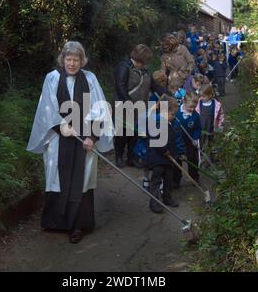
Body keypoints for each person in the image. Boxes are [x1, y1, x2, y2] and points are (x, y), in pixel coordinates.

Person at [27, 41, 113, 244]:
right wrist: (61, 126)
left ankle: (77, 225)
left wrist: (92, 136)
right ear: (63, 59)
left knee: (81, 180)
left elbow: (99, 107)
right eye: (69, 59)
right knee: (57, 175)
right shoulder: (53, 78)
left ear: (82, 61)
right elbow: (47, 106)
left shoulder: (90, 79)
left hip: (84, 140)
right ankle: (55, 222)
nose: (72, 64)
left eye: (76, 60)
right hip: (59, 139)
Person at [113, 44, 167, 168]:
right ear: (139, 59)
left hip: (139, 107)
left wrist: (168, 95)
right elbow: (120, 87)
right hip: (124, 106)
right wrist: (128, 104)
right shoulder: (123, 67)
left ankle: (131, 158)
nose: (146, 64)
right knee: (121, 134)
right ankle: (119, 157)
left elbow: (155, 86)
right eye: (144, 61)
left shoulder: (144, 70)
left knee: (134, 134)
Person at [146, 96, 180, 213]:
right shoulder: (157, 123)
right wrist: (164, 150)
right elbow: (155, 139)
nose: (174, 117)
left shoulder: (169, 122)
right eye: (172, 114)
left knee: (168, 179)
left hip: (169, 159)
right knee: (156, 181)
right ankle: (154, 203)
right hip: (158, 159)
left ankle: (167, 198)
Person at [173, 93, 202, 185]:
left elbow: (198, 129)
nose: (192, 109)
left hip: (190, 141)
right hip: (177, 142)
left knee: (193, 159)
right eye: (190, 107)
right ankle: (176, 180)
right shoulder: (177, 113)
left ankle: (194, 178)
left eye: (194, 107)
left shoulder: (195, 116)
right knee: (177, 161)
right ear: (184, 102)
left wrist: (195, 138)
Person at [196, 84, 224, 152]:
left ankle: (213, 156)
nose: (201, 98)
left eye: (204, 96)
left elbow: (221, 115)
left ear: (210, 95)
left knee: (212, 142)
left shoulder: (216, 104)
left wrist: (220, 126)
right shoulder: (198, 104)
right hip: (201, 127)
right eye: (200, 96)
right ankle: (201, 154)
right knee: (201, 141)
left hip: (212, 127)